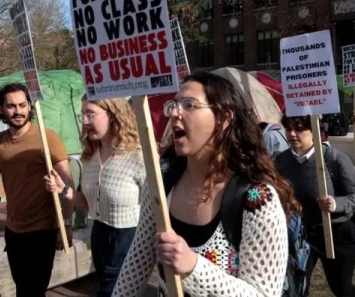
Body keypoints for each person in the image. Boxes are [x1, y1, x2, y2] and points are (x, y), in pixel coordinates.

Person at [113, 72, 298, 297]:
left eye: (189, 104)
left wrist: (193, 267)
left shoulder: (258, 200)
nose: (174, 112)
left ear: (223, 119)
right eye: (174, 104)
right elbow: (137, 261)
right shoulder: (161, 180)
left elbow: (263, 294)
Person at [0, 83, 74, 297]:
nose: (18, 111)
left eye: (23, 105)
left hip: (43, 229)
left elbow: (66, 185)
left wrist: (65, 224)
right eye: (11, 106)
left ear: (30, 106)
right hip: (13, 230)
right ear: (1, 109)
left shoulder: (47, 138)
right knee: (22, 288)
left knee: (32, 291)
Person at [45, 96, 145, 297]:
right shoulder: (90, 156)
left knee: (112, 292)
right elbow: (88, 203)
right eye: (83, 115)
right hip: (99, 234)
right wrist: (64, 190)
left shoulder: (138, 156)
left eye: (90, 114)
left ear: (114, 115)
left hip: (129, 237)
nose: (84, 121)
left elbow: (156, 206)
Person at [276, 115, 355, 297]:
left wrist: (335, 203)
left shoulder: (334, 159)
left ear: (315, 130)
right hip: (302, 235)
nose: (292, 134)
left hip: (338, 233)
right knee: (296, 288)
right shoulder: (281, 160)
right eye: (289, 129)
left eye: (299, 128)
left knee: (341, 288)